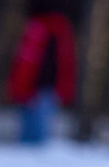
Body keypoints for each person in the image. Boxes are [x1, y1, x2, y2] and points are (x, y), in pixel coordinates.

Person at [6, 3, 79, 147]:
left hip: (41, 91)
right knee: (28, 139)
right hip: (32, 91)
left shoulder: (52, 28)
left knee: (36, 141)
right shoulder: (39, 27)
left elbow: (54, 63)